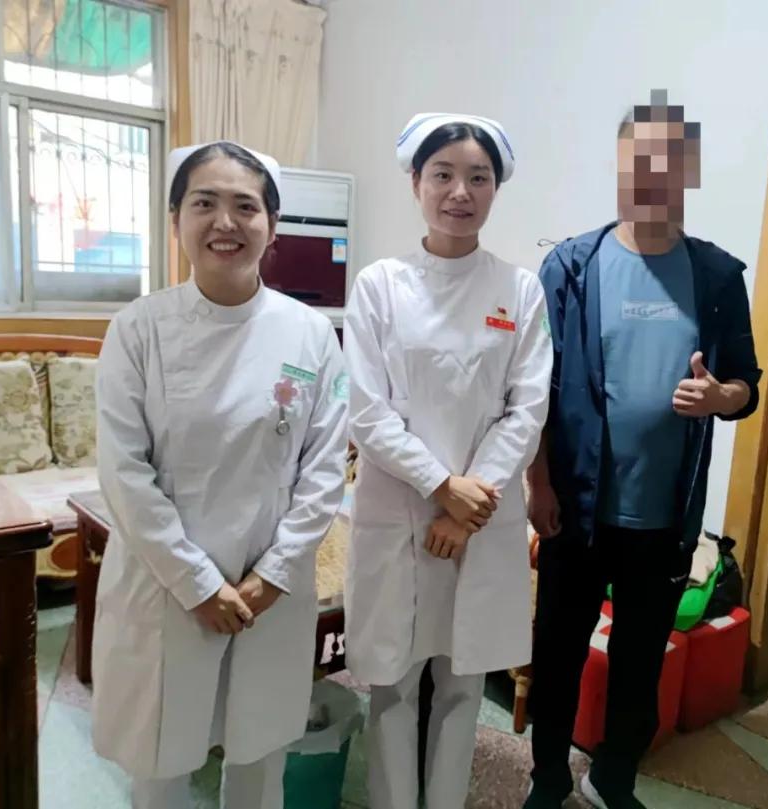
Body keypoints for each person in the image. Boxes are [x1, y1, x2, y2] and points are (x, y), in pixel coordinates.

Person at [91, 140, 348, 809]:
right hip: (165, 584)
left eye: (246, 206)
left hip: (270, 588)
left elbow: (325, 469)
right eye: (204, 203)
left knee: (259, 757)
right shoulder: (137, 330)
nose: (225, 222)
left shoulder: (310, 333)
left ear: (273, 225)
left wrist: (271, 576)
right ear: (175, 218)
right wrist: (197, 582)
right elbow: (123, 471)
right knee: (161, 760)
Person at [524, 90, 762, 809]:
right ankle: (547, 778)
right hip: (575, 508)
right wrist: (539, 484)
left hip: (664, 517)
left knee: (638, 662)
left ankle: (613, 778)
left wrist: (720, 397)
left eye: (669, 163)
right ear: (620, 166)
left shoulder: (716, 277)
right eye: (640, 161)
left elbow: (747, 385)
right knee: (558, 653)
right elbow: (534, 388)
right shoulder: (571, 266)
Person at [344, 112, 552, 809]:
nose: (460, 191)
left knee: (463, 683)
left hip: (480, 521)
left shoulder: (519, 290)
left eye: (478, 177)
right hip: (399, 513)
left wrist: (468, 504)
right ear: (416, 182)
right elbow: (366, 410)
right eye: (443, 175)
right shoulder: (379, 285)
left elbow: (527, 409)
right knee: (393, 683)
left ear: (495, 189)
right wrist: (441, 485)